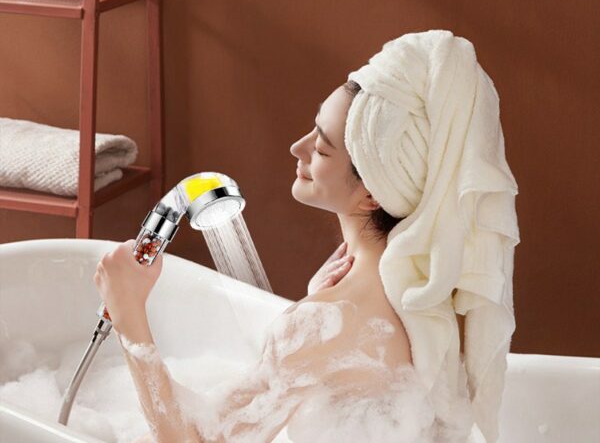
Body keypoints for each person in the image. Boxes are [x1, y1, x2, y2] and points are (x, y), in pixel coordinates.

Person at [93, 83, 434, 443]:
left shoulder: (324, 323)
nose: (297, 148)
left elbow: (193, 442)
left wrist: (127, 313)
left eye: (320, 147)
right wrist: (317, 304)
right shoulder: (427, 281)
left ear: (371, 195)